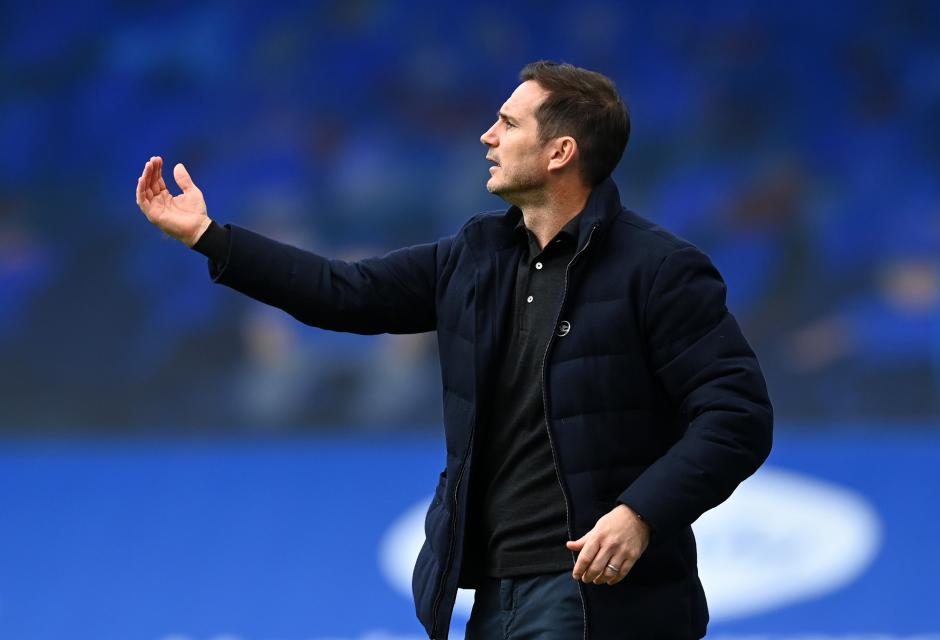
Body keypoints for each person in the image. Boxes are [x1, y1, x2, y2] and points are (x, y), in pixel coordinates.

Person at [135, 61, 773, 640]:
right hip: (493, 596)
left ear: (560, 151)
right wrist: (210, 238)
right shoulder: (475, 256)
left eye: (506, 122)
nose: (486, 137)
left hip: (599, 600)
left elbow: (738, 416)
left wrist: (641, 512)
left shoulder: (659, 269)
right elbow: (342, 292)